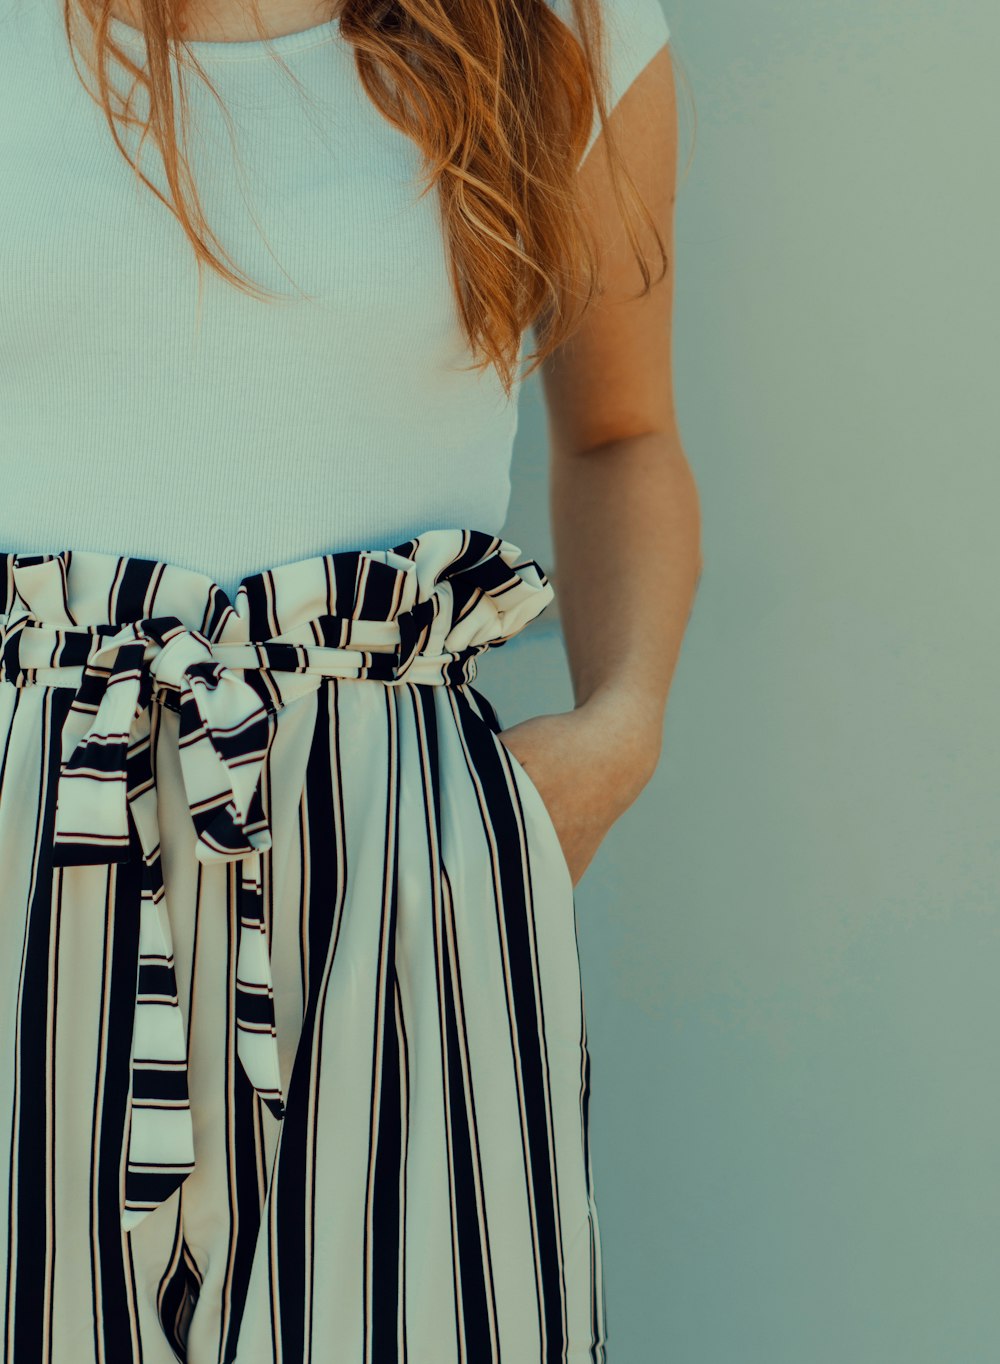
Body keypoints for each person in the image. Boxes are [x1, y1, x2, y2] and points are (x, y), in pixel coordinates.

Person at [0, 1, 701, 1359]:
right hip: (34, 804)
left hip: (399, 841)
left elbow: (622, 432)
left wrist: (619, 734)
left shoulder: (560, 34)